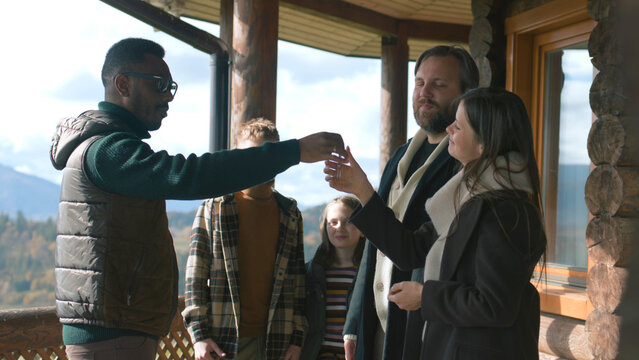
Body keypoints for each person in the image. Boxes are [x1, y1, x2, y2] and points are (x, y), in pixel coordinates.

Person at [49, 37, 345, 360]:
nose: (167, 97)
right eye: (159, 84)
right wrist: (295, 151)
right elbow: (190, 176)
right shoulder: (107, 151)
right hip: (113, 335)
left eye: (171, 87)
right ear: (122, 84)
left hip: (118, 329)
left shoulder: (108, 148)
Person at [326, 88, 547, 359]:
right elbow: (409, 250)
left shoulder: (505, 210)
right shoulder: (464, 198)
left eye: (459, 124)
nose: (449, 128)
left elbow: (494, 305)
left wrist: (424, 297)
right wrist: (362, 191)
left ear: (484, 143)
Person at [342, 45, 478, 360]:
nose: (424, 93)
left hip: (426, 332)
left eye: (439, 85)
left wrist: (362, 191)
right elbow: (374, 246)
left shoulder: (464, 165)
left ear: (466, 94)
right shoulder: (401, 156)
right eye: (419, 82)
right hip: (376, 328)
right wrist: (354, 321)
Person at [183, 118, 307, 360]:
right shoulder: (214, 208)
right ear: (236, 156)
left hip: (278, 340)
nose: (257, 161)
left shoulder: (289, 212)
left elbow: (298, 281)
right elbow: (195, 276)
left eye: (266, 153)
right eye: (249, 154)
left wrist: (297, 338)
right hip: (223, 340)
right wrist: (199, 335)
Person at [301, 196, 366, 360]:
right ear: (324, 228)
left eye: (349, 221)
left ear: (363, 228)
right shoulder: (312, 273)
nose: (340, 227)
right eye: (333, 222)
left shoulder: (371, 273)